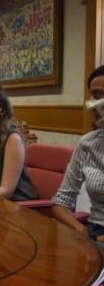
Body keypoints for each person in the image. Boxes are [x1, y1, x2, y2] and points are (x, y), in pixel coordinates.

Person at [52, 65, 104, 248]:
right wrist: (81, 230)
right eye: (91, 94)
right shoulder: (88, 143)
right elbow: (61, 202)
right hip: (94, 230)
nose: (91, 101)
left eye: (98, 95)